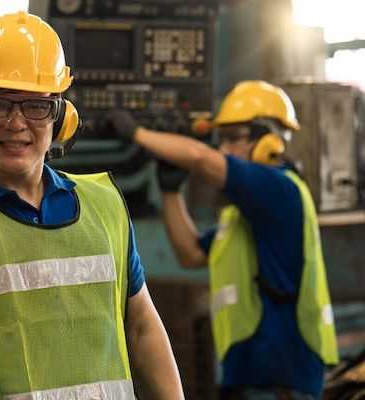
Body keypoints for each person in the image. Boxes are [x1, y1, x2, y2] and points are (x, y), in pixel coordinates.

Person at [0, 11, 184, 399]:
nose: (16, 123)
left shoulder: (104, 205)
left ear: (61, 117)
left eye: (36, 106)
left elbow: (143, 326)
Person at [103, 80, 338, 400]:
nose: (224, 150)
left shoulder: (281, 189)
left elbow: (201, 159)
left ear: (269, 139)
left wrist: (137, 134)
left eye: (234, 138)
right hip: (249, 378)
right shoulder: (241, 217)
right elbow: (191, 254)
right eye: (221, 139)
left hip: (282, 381)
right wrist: (171, 192)